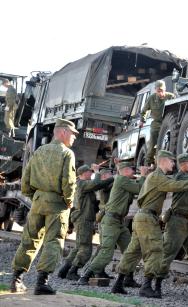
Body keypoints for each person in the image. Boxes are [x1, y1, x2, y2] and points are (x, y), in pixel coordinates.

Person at [110, 150, 188, 298]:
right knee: (155, 251)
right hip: (147, 218)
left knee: (133, 252)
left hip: (143, 217)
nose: (173, 164)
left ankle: (118, 283)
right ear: (162, 161)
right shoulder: (157, 176)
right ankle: (146, 286)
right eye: (171, 161)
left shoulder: (155, 176)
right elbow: (174, 185)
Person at [10, 119, 78, 295]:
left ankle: (16, 280)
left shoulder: (39, 151)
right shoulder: (67, 153)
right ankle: (42, 283)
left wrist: (35, 196)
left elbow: (25, 179)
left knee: (29, 239)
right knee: (53, 241)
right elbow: (68, 181)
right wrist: (69, 200)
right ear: (62, 132)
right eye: (72, 134)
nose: (74, 138)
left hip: (38, 201)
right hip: (57, 203)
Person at [78, 162, 147, 286]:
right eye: (132, 169)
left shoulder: (125, 181)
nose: (133, 172)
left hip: (119, 222)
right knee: (106, 251)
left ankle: (128, 278)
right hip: (111, 221)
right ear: (125, 171)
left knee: (130, 251)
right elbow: (140, 188)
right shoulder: (121, 180)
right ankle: (85, 276)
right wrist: (143, 175)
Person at [156, 154, 188, 289]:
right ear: (182, 165)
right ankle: (155, 284)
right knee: (168, 253)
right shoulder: (180, 177)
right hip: (176, 221)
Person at [57, 164, 114, 280]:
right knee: (86, 248)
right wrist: (99, 172)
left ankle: (64, 270)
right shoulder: (83, 184)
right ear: (83, 174)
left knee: (78, 247)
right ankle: (73, 271)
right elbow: (96, 184)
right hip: (84, 219)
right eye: (89, 172)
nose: (91, 173)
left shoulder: (82, 185)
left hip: (83, 218)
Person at [140, 80, 175, 166]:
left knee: (168, 144)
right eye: (158, 91)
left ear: (165, 89)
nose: (160, 92)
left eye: (162, 90)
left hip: (168, 125)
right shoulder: (151, 98)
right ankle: (148, 164)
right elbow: (144, 111)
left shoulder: (171, 97)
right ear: (155, 90)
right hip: (156, 124)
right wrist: (142, 120)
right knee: (152, 145)